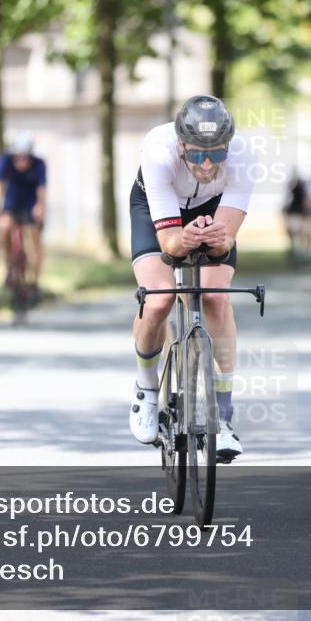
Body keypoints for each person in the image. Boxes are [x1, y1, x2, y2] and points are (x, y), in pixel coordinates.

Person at [127, 95, 254, 461]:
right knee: (158, 299)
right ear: (182, 145)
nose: (208, 163)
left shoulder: (244, 155)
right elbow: (169, 242)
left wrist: (216, 240)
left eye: (217, 153)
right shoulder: (157, 148)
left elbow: (225, 240)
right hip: (156, 205)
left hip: (212, 209)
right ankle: (146, 390)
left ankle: (223, 416)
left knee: (216, 297)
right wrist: (184, 239)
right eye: (198, 154)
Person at [0, 132, 47, 292]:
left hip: (31, 204)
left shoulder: (39, 165)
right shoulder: (6, 160)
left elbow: (42, 191)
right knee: (4, 228)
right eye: (18, 157)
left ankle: (34, 279)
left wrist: (40, 208)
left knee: (34, 238)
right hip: (12, 204)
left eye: (25, 157)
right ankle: (9, 267)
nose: (21, 161)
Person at [284, 172, 311, 264]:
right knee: (297, 236)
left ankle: (302, 255)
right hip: (295, 214)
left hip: (299, 214)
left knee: (301, 236)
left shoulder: (301, 190)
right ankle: (299, 255)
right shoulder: (292, 190)